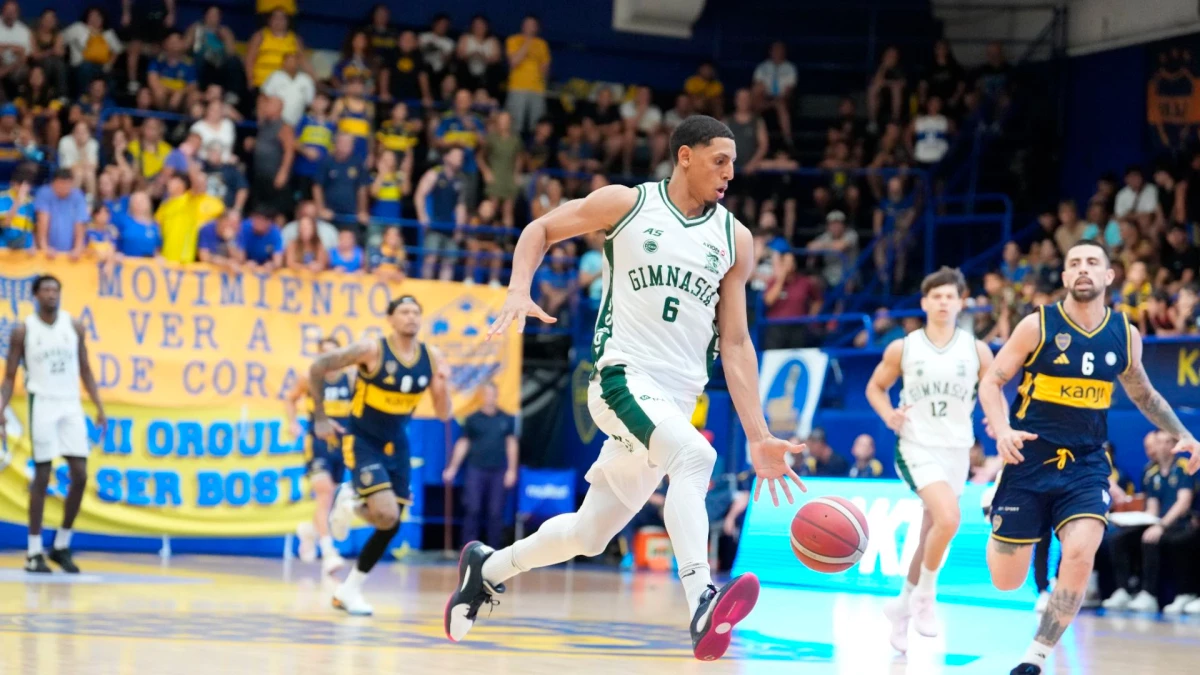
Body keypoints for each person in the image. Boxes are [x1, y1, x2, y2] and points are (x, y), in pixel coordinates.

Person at [442, 115, 805, 662]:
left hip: (678, 397)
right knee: (695, 456)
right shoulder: (627, 203)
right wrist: (519, 289)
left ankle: (486, 568)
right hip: (621, 377)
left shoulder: (735, 239)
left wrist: (759, 436)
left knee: (591, 534)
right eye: (720, 160)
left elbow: (735, 344)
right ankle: (702, 600)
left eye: (733, 162)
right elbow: (539, 229)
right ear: (685, 155)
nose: (731, 172)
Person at [977, 240, 1200, 674]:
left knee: (1080, 552)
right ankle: (999, 510)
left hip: (1086, 463)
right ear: (1063, 277)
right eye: (1074, 263)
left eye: (1092, 262)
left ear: (1108, 276)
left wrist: (1185, 435)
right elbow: (991, 382)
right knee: (1007, 582)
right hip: (1029, 459)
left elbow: (1146, 395)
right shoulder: (1036, 325)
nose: (1083, 269)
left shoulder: (1124, 333)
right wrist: (1002, 428)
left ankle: (1035, 659)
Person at [866, 266, 994, 652]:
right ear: (924, 303)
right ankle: (925, 596)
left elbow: (993, 392)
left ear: (961, 303)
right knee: (949, 518)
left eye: (949, 296)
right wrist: (888, 414)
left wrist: (998, 424)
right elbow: (875, 387)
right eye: (935, 296)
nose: (942, 302)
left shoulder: (977, 349)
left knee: (931, 532)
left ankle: (902, 607)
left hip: (957, 449)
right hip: (916, 445)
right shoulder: (904, 347)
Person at [308, 296, 450, 616]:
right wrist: (318, 416)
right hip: (362, 439)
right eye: (404, 312)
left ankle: (349, 590)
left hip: (397, 443)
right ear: (391, 319)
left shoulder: (432, 357)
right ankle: (350, 503)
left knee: (391, 523)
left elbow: (444, 413)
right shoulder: (371, 350)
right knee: (386, 513)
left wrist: (444, 387)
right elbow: (318, 367)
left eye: (416, 311)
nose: (411, 317)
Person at [0, 275, 106, 574]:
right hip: (42, 402)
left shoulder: (74, 326)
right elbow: (9, 377)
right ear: (35, 295)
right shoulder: (24, 329)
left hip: (70, 404)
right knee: (43, 474)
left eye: (55, 290)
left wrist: (98, 406)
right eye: (45, 289)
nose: (51, 294)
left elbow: (85, 368)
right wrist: (2, 408)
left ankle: (61, 545)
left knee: (81, 474)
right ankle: (33, 552)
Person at [284, 337, 354, 576]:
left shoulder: (352, 377)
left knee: (334, 500)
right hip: (318, 443)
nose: (330, 358)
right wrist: (293, 423)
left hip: (344, 445)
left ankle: (310, 532)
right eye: (324, 353)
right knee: (324, 494)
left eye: (334, 353)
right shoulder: (310, 378)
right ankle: (329, 553)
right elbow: (290, 398)